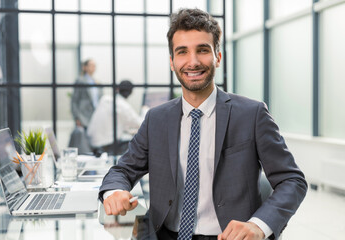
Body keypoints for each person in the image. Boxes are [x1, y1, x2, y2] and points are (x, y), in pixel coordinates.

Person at [99, 8, 307, 240]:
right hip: (164, 234)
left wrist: (258, 225)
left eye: (202, 50)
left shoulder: (252, 114)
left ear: (217, 56)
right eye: (182, 52)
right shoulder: (156, 119)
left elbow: (292, 180)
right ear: (172, 62)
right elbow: (122, 170)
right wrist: (115, 192)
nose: (193, 62)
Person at [87, 80, 143, 155]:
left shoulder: (105, 99)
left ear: (118, 89)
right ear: (131, 93)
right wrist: (145, 111)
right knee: (136, 143)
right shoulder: (123, 105)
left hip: (92, 144)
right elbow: (140, 123)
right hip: (107, 146)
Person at [71, 59, 102, 129]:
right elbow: (74, 100)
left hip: (95, 117)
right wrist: (77, 118)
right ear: (85, 67)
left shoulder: (97, 82)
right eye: (91, 65)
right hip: (83, 117)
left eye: (95, 65)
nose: (94, 67)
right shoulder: (80, 81)